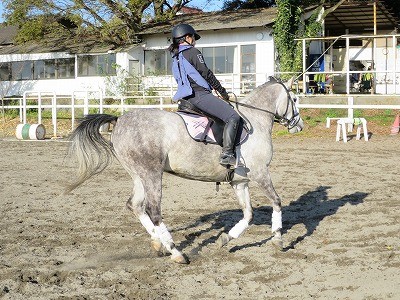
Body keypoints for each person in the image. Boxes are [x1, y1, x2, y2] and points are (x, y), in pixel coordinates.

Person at [169, 23, 241, 167]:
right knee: (233, 116)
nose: (194, 40)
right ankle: (227, 154)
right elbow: (206, 73)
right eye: (193, 37)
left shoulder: (175, 58)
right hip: (199, 96)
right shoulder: (193, 52)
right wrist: (222, 92)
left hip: (185, 99)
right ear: (187, 37)